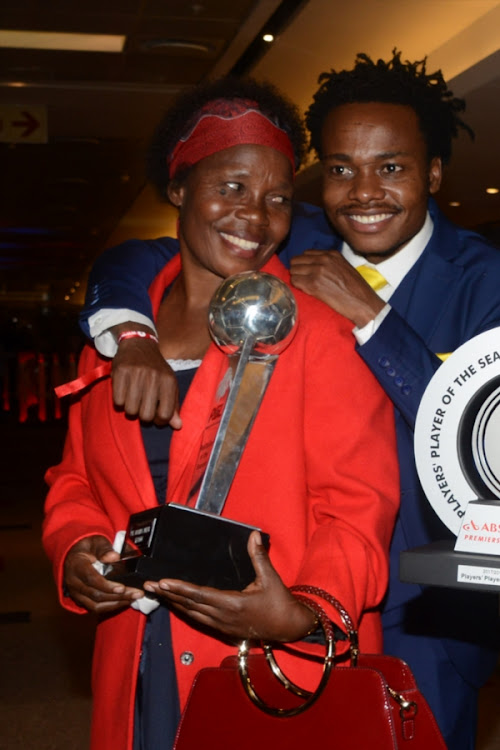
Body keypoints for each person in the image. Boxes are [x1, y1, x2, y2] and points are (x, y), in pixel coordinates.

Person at [78, 51, 500, 750]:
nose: (364, 192)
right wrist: (128, 331)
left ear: (431, 175)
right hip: (293, 579)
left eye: (391, 167)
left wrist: (374, 323)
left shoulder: (484, 282)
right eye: (339, 169)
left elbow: (482, 446)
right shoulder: (288, 233)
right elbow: (139, 257)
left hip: (427, 602)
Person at [43, 77, 400, 750]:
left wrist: (300, 612)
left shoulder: (315, 335)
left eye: (275, 200)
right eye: (231, 187)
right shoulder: (121, 337)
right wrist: (76, 549)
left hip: (268, 665)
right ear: (179, 187)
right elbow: (75, 479)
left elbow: (359, 510)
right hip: (138, 654)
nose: (255, 218)